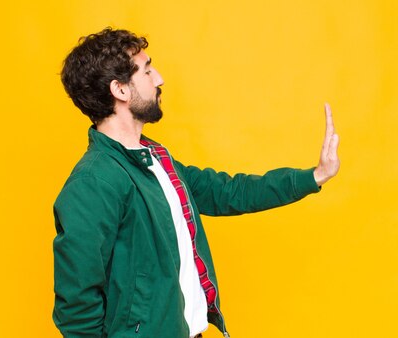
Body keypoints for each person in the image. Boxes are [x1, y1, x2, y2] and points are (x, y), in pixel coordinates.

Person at [53, 27, 340, 338]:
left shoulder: (156, 159)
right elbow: (77, 308)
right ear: (120, 90)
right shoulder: (93, 182)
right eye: (147, 71)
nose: (159, 78)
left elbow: (229, 192)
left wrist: (314, 176)